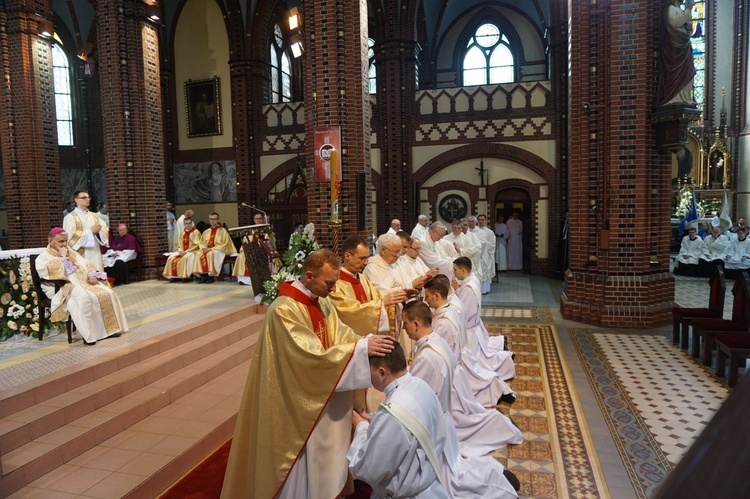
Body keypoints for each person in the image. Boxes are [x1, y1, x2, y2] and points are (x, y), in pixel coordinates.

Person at [221, 250, 396, 498]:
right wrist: (358, 350)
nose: (334, 289)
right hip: (295, 399)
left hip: (319, 388)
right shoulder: (284, 310)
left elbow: (340, 333)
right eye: (329, 283)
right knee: (299, 459)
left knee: (323, 452)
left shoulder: (321, 300)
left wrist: (363, 342)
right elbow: (306, 357)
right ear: (309, 276)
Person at [403, 302, 521, 498]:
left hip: (431, 425)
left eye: (405, 323)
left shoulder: (425, 356)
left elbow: (415, 396)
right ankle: (495, 475)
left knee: (449, 479)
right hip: (442, 418)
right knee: (452, 469)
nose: (404, 329)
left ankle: (494, 481)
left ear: (416, 324)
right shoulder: (436, 343)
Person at [347, 342, 449, 499]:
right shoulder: (421, 386)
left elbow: (368, 469)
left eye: (369, 372)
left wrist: (361, 426)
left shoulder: (391, 415)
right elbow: (411, 421)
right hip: (430, 486)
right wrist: (375, 419)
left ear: (382, 373)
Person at [36, 228, 128, 345]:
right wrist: (63, 257)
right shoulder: (43, 257)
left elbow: (86, 263)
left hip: (84, 282)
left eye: (66, 241)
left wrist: (91, 275)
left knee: (108, 293)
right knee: (85, 298)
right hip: (63, 287)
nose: (64, 244)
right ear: (50, 241)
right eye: (61, 241)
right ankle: (89, 335)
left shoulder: (72, 252)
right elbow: (51, 274)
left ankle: (111, 330)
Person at [452, 257, 516, 381]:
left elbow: (463, 311)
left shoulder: (469, 288)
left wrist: (451, 298)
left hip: (469, 331)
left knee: (477, 365)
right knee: (481, 357)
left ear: (463, 270)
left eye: (455, 270)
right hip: (474, 327)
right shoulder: (472, 279)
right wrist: (457, 289)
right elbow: (465, 301)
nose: (454, 273)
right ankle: (503, 357)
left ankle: (504, 360)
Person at [657, 0, 696, 107]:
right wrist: (688, 11)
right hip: (675, 48)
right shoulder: (670, 9)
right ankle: (674, 97)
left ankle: (685, 97)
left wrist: (688, 26)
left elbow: (688, 28)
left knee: (688, 69)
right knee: (675, 70)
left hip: (684, 47)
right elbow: (673, 23)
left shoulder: (680, 10)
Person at [63, 190, 109, 272]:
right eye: (84, 197)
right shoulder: (70, 217)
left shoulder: (94, 216)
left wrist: (98, 233)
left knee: (97, 273)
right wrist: (90, 232)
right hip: (80, 253)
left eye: (88, 197)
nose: (87, 199)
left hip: (95, 251)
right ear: (76, 200)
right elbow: (70, 237)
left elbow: (104, 229)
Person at [194, 212, 236, 283]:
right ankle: (204, 276)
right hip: (207, 250)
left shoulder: (223, 231)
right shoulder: (206, 231)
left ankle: (211, 276)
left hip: (219, 250)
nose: (212, 221)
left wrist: (211, 249)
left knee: (210, 254)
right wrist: (203, 248)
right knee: (198, 253)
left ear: (218, 220)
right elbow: (201, 242)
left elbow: (225, 244)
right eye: (211, 219)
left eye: (214, 219)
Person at [476, 215, 497, 294]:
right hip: (477, 255)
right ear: (477, 221)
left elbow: (492, 244)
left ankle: (485, 290)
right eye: (479, 219)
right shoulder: (474, 231)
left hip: (486, 255)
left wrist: (485, 244)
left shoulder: (489, 232)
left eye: (482, 219)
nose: (481, 221)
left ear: (485, 220)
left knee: (485, 271)